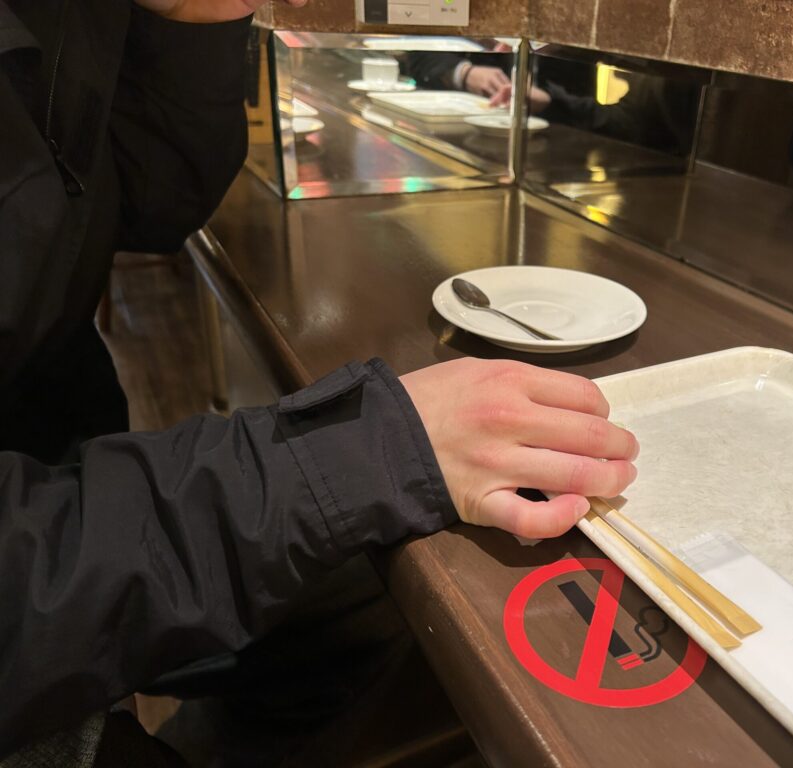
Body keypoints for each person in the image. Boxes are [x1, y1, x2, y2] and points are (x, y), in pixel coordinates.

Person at [0, 0, 640, 764]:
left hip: (65, 462)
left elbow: (153, 203)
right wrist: (366, 450)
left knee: (379, 600)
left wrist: (194, 23)